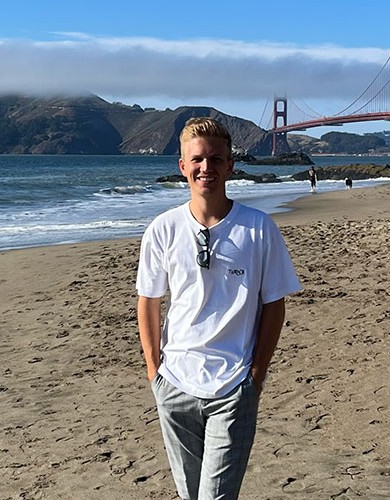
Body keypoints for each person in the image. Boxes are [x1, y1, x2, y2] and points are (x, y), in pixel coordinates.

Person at [136, 117, 301, 500]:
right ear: (182, 167)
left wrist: (255, 377)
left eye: (215, 159)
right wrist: (154, 372)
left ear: (230, 165)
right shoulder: (163, 229)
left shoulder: (258, 229)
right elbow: (149, 300)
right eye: (197, 160)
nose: (205, 168)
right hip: (174, 385)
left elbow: (274, 305)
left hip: (233, 387)